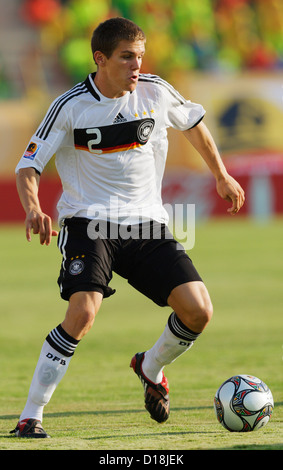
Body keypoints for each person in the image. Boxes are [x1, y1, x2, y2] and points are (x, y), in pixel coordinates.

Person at [11, 17, 245, 438]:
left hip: (146, 225)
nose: (137, 65)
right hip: (89, 222)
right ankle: (31, 415)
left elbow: (193, 125)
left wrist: (221, 174)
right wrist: (33, 207)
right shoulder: (70, 106)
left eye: (140, 56)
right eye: (126, 57)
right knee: (82, 313)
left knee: (198, 311)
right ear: (101, 59)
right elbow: (28, 165)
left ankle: (150, 365)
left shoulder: (155, 90)